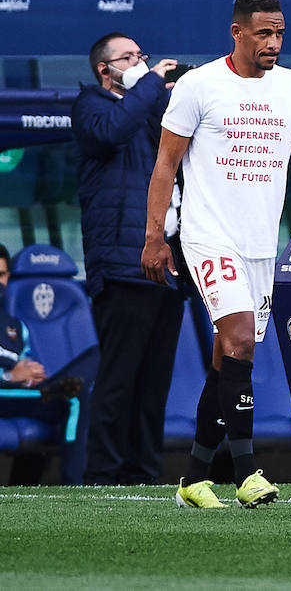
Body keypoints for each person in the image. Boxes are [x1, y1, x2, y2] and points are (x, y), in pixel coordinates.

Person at [142, 0, 291, 510]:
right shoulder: (199, 86)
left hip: (261, 243)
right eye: (264, 33)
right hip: (208, 235)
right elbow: (165, 166)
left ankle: (193, 478)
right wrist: (154, 236)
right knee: (239, 337)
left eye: (280, 33)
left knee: (229, 358)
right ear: (236, 32)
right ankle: (247, 473)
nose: (274, 43)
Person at [73, 33, 185, 485]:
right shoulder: (91, 106)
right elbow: (110, 132)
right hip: (121, 267)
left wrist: (171, 97)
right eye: (129, 57)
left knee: (154, 381)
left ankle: (144, 471)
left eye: (143, 55)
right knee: (119, 377)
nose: (141, 62)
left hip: (166, 267)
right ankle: (104, 473)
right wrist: (150, 85)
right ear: (105, 69)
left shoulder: (147, 109)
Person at [0, 243, 47, 390]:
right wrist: (8, 377)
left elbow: (25, 361)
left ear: (8, 276)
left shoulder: (17, 325)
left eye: (0, 275)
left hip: (17, 401)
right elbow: (13, 375)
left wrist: (33, 373)